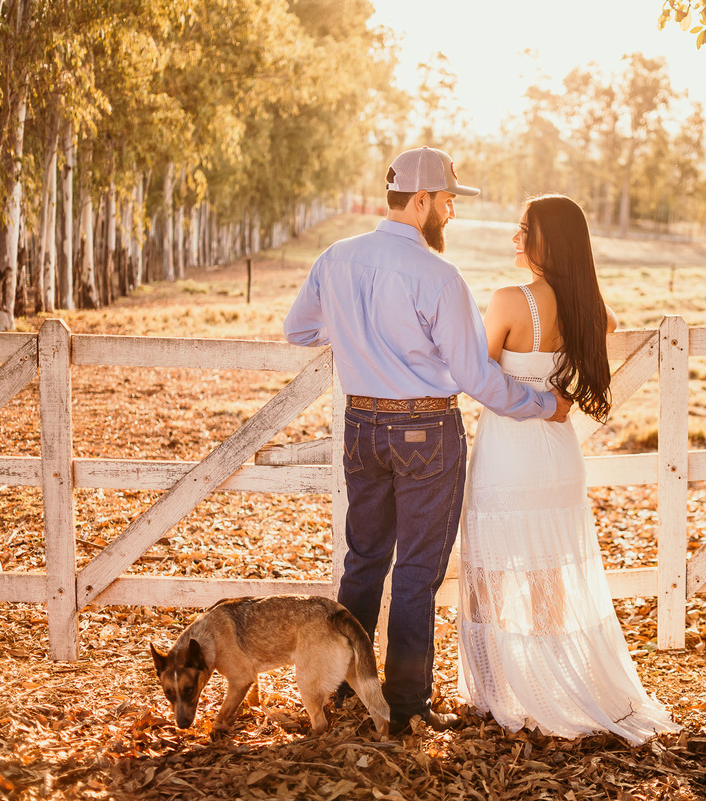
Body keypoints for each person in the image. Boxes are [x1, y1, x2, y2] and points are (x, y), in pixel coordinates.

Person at [283, 147, 572, 735]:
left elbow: (299, 329)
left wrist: (357, 330)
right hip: (425, 433)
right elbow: (475, 377)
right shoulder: (439, 276)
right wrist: (545, 405)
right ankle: (407, 704)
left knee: (363, 561)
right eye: (446, 202)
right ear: (420, 201)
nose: (451, 213)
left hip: (361, 427)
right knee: (416, 572)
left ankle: (346, 690)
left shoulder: (335, 258)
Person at [457, 194, 679, 744]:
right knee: (548, 577)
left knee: (488, 576)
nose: (514, 238)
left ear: (548, 241)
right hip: (558, 454)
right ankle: (551, 687)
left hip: (508, 453)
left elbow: (476, 376)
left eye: (523, 230)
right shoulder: (591, 309)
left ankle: (494, 693)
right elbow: (607, 324)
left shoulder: (510, 300)